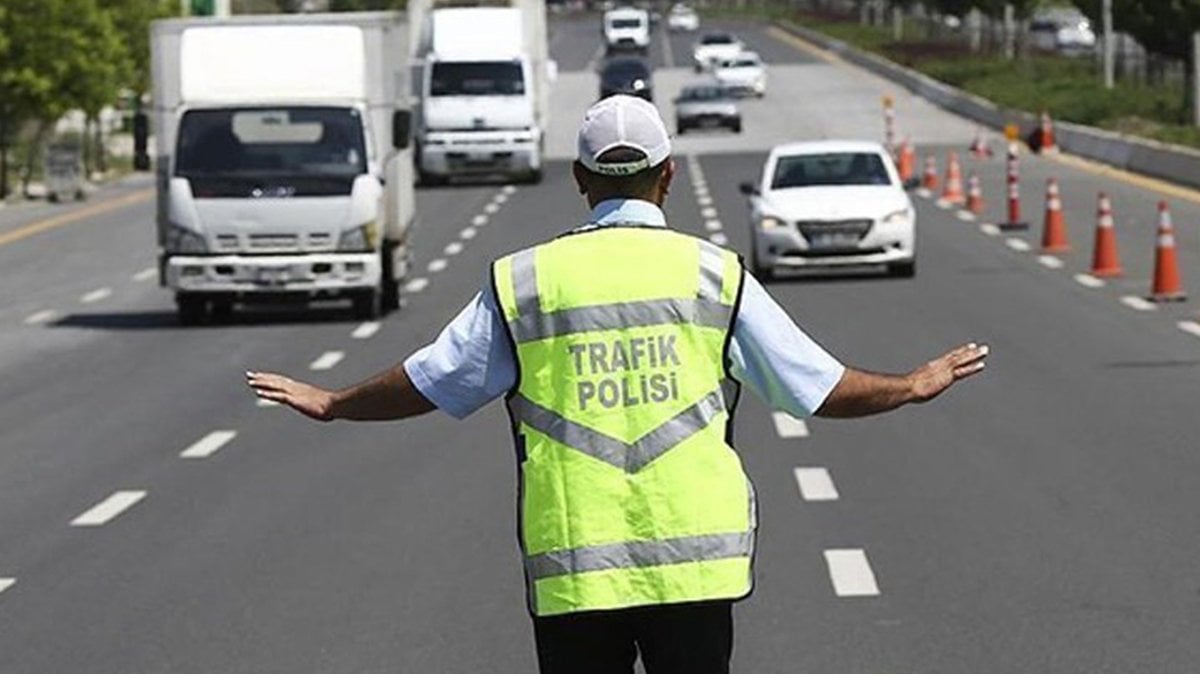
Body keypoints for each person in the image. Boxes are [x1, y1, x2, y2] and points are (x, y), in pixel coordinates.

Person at [247, 95, 989, 674]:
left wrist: (334, 404)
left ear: (579, 180)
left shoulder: (526, 281)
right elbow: (816, 388)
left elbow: (433, 380)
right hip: (696, 570)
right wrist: (911, 384)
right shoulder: (713, 274)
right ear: (667, 176)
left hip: (576, 566)